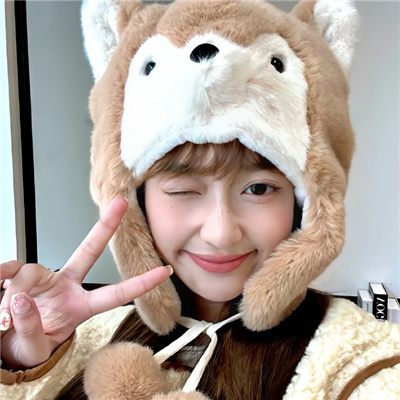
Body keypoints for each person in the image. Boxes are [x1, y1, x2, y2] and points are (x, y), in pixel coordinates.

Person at [1, 0, 400, 399]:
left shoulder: (361, 361)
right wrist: (23, 367)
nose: (221, 233)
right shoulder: (84, 337)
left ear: (304, 202)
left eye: (259, 188)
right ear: (137, 201)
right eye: (182, 190)